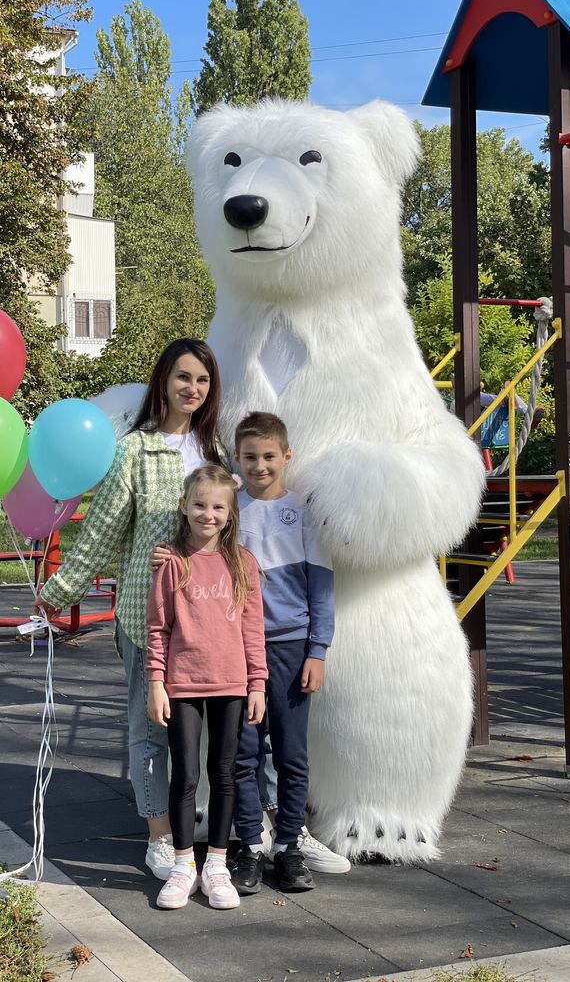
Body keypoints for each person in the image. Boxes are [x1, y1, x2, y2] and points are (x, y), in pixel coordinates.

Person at [35, 338, 226, 881]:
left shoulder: (219, 451)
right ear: (163, 380)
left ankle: (213, 828)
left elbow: (238, 528)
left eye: (204, 380)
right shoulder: (134, 450)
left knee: (216, 730)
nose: (193, 388)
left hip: (212, 619)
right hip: (150, 617)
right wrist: (60, 590)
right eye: (184, 377)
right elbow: (103, 532)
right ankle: (160, 835)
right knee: (152, 729)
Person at [153, 412, 350, 891]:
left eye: (268, 456)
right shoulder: (228, 508)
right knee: (240, 757)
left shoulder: (303, 512)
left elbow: (321, 589)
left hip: (288, 648)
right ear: (235, 461)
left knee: (290, 754)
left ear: (286, 457)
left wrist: (317, 649)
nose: (260, 465)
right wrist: (167, 554)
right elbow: (196, 545)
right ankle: (247, 846)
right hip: (233, 656)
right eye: (249, 457)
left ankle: (287, 845)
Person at [146, 465, 267, 910]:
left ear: (231, 513)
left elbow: (254, 630)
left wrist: (258, 683)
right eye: (199, 504)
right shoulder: (170, 563)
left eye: (218, 506)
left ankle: (216, 863)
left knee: (225, 772)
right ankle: (183, 865)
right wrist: (156, 683)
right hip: (183, 685)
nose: (208, 514)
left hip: (232, 686)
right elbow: (158, 628)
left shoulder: (243, 564)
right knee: (186, 775)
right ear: (184, 507)